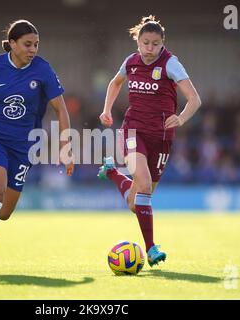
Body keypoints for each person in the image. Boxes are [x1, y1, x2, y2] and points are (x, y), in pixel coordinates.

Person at [0, 19, 74, 275]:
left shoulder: (42, 70)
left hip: (24, 147)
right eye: (28, 44)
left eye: (36, 45)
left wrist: (66, 147)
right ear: (12, 44)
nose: (33, 49)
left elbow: (61, 109)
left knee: (4, 212)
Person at [98, 15, 201, 267]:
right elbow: (115, 83)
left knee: (137, 202)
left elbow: (194, 99)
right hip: (133, 130)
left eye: (155, 43)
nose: (149, 48)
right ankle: (151, 248)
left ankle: (112, 173)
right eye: (145, 42)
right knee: (143, 185)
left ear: (162, 43)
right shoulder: (131, 62)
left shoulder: (171, 64)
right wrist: (107, 109)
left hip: (162, 137)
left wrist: (181, 117)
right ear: (138, 42)